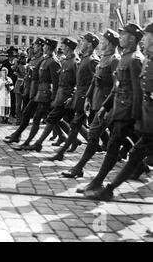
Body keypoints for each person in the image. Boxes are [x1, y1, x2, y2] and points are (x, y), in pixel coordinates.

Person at [86, 22, 153, 201]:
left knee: (119, 146)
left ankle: (102, 184)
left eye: (124, 35)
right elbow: (118, 87)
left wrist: (138, 117)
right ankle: (106, 184)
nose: (120, 37)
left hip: (132, 112)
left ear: (133, 38)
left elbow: (139, 92)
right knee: (129, 149)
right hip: (123, 109)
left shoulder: (136, 59)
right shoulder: (129, 58)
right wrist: (105, 107)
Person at [62, 30, 121, 178]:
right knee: (116, 138)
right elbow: (95, 81)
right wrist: (88, 98)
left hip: (107, 105)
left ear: (110, 43)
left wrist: (107, 107)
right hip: (97, 101)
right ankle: (140, 166)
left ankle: (78, 168)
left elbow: (116, 87)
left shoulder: (114, 60)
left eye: (104, 41)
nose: (101, 43)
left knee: (94, 135)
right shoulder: (104, 59)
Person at [49, 33, 100, 161]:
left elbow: (95, 83)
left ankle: (63, 152)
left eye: (83, 42)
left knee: (108, 130)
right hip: (81, 97)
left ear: (89, 44)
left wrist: (88, 98)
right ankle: (62, 152)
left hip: (88, 99)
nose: (80, 44)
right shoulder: (85, 58)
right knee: (76, 125)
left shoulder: (92, 60)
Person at [26, 37, 79, 152]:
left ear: (69, 48)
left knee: (52, 119)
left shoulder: (74, 62)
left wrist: (68, 97)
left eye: (64, 46)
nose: (61, 48)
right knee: (63, 120)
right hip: (60, 95)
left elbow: (76, 83)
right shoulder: (65, 61)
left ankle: (39, 143)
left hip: (66, 97)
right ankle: (74, 140)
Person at [13, 38, 61, 150]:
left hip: (45, 94)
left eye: (44, 46)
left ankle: (29, 143)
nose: (43, 47)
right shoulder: (45, 59)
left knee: (37, 118)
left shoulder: (53, 62)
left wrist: (54, 99)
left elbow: (56, 82)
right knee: (30, 113)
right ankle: (64, 136)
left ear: (48, 47)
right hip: (39, 92)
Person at [4, 38, 45, 144]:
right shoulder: (33, 59)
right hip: (29, 89)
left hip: (37, 91)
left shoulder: (42, 59)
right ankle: (18, 135)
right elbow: (28, 75)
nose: (32, 48)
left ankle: (21, 137)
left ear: (40, 47)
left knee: (51, 118)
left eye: (35, 46)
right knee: (28, 114)